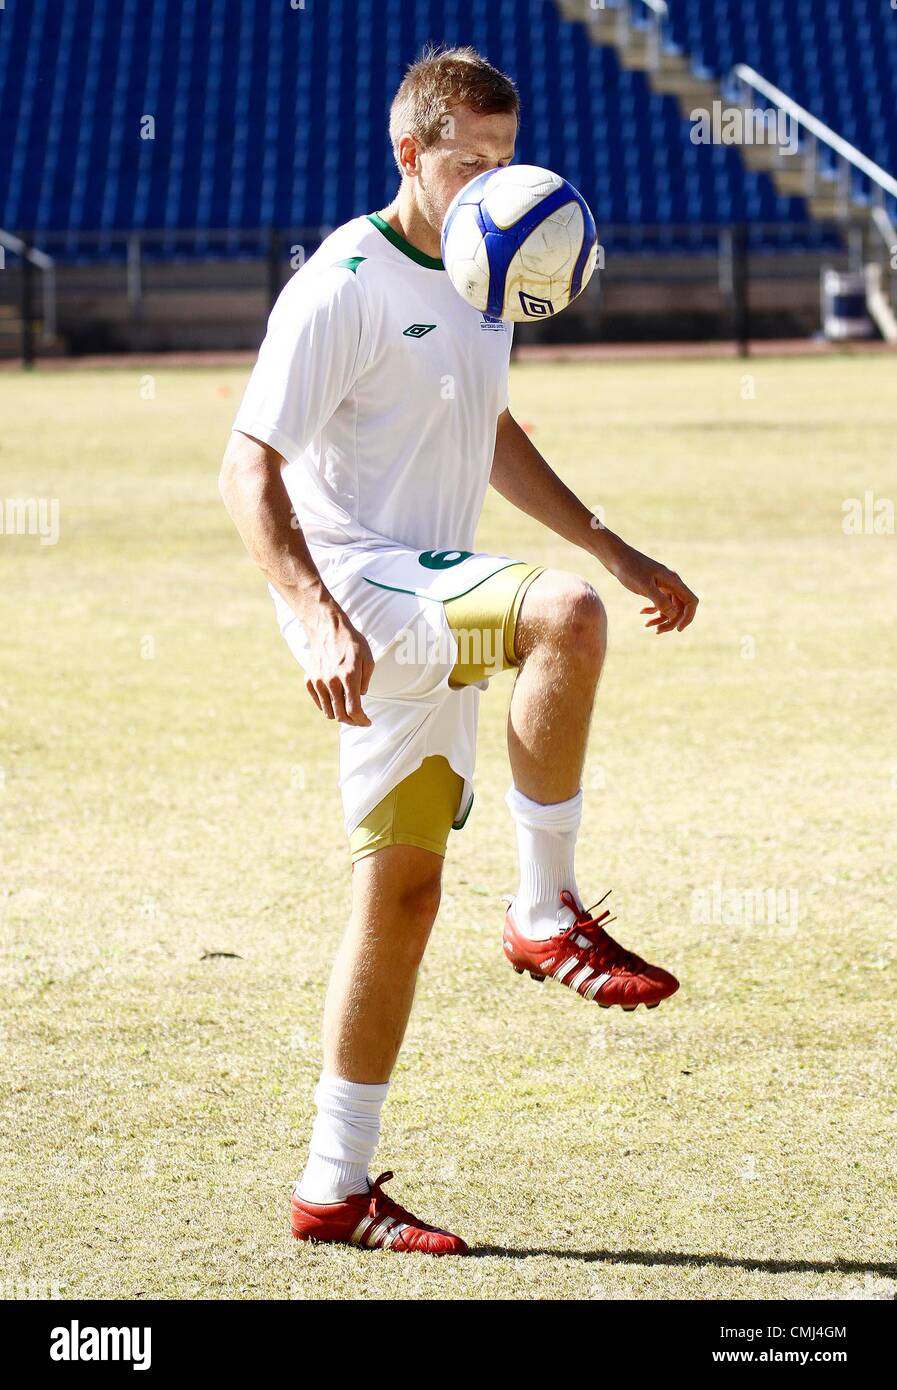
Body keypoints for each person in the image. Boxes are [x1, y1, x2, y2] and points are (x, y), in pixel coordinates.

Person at [219, 46, 698, 1257]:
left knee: (401, 897)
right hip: (372, 595)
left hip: (425, 591)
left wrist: (621, 545)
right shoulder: (343, 281)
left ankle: (333, 1188)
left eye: (507, 156)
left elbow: (484, 430)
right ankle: (545, 910)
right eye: (467, 160)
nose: (493, 181)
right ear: (409, 153)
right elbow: (244, 467)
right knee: (565, 616)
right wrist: (315, 613)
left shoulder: (492, 276)